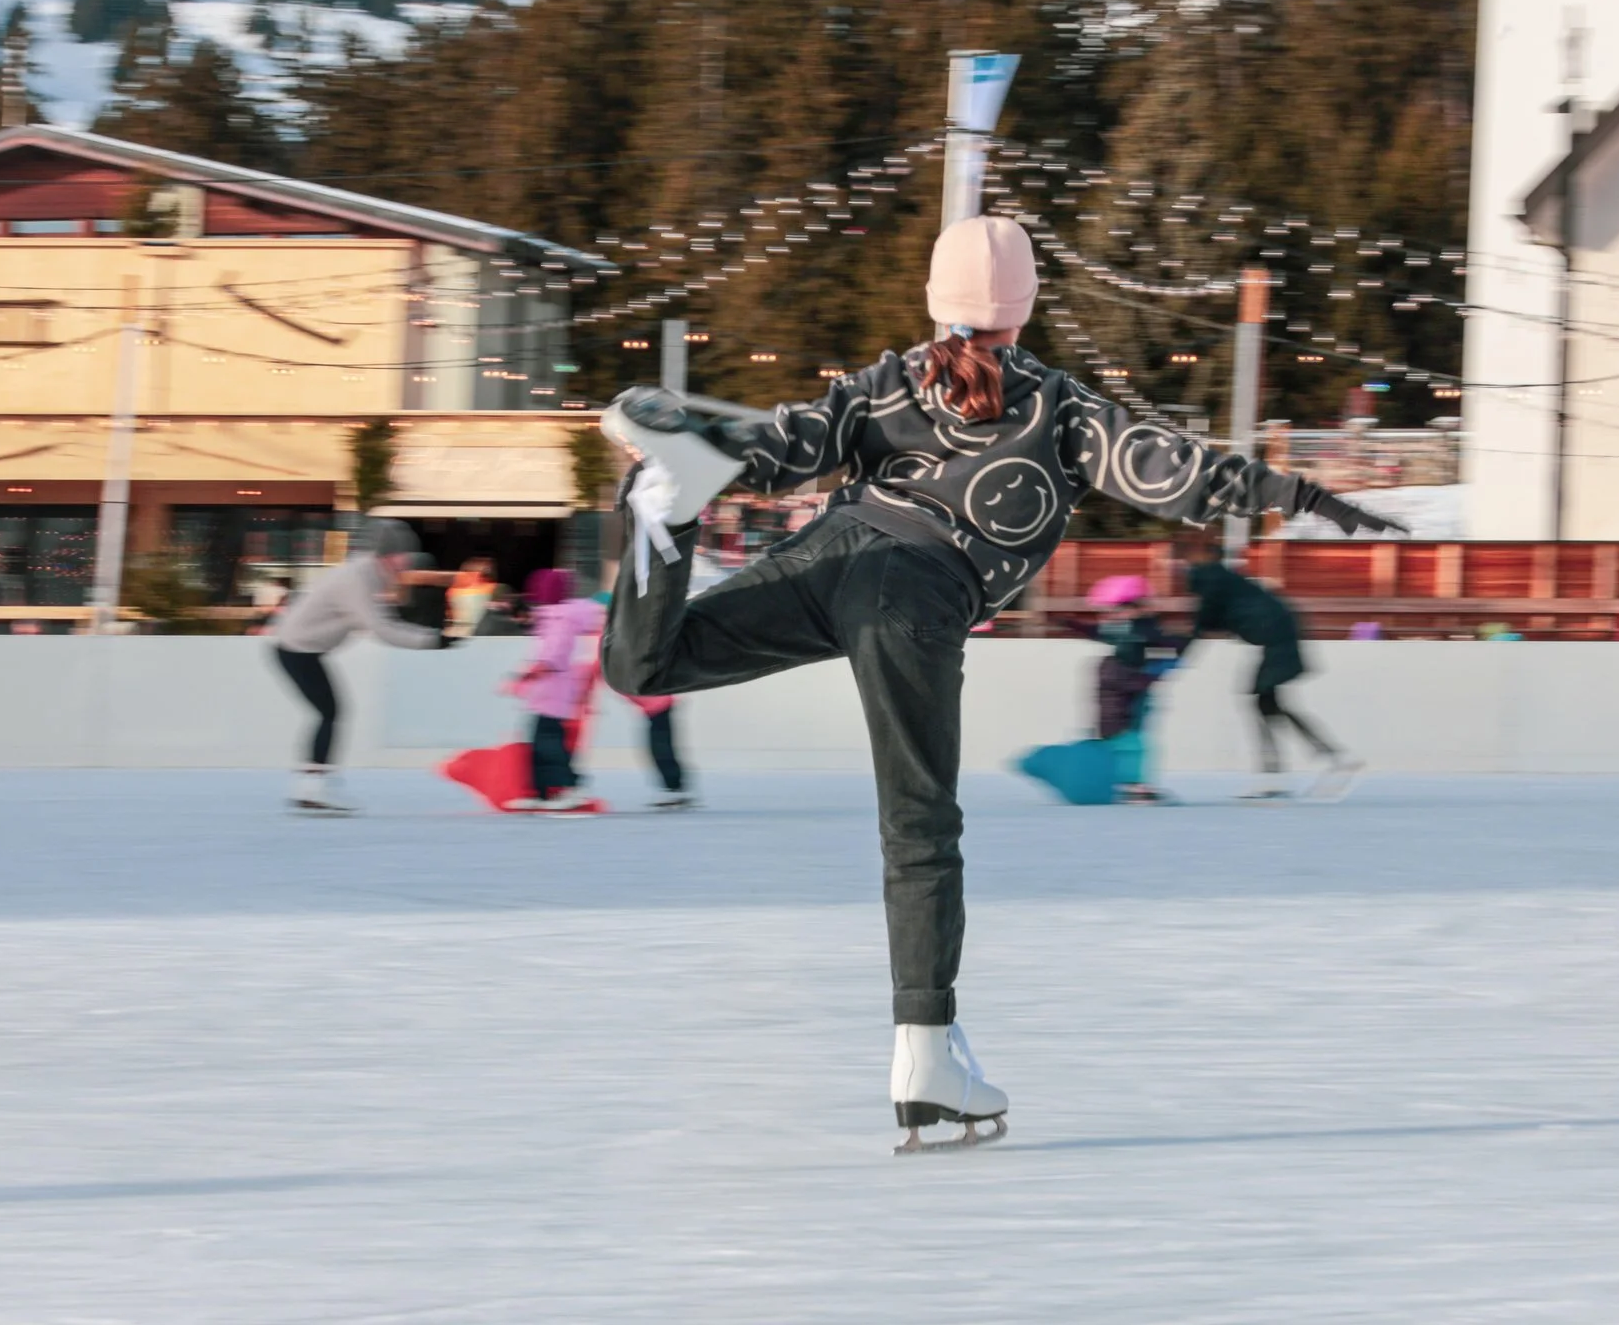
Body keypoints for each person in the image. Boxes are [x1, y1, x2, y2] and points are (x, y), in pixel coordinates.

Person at [598, 213, 1401, 1151]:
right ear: (1025, 309)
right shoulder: (1058, 405)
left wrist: (703, 452)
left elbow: (784, 451)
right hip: (917, 596)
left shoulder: (886, 380)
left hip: (830, 559)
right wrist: (1305, 497)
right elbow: (1169, 470)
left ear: (936, 300)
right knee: (920, 827)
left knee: (645, 661)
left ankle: (666, 508)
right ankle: (927, 1057)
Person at [268, 520, 445, 814]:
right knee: (330, 711)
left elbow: (379, 618)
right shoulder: (357, 579)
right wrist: (434, 640)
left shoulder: (369, 574)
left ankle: (312, 783)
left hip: (302, 648)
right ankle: (312, 785)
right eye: (405, 554)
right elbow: (382, 628)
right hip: (297, 649)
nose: (408, 561)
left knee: (329, 711)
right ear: (389, 554)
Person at [1180, 537, 1357, 800]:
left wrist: (1177, 658)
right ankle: (1324, 759)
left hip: (1278, 642)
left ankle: (1292, 770)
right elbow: (1214, 619)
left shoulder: (1211, 579)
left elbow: (1203, 622)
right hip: (1280, 638)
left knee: (1262, 702)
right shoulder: (1223, 578)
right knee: (1268, 705)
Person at [505, 568, 606, 811]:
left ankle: (568, 788)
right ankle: (540, 792)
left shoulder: (558, 618)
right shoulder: (551, 617)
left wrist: (529, 673)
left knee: (548, 745)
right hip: (548, 692)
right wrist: (527, 678)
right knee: (540, 744)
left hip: (554, 692)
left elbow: (554, 654)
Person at [1089, 574, 1182, 804]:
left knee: (1135, 740)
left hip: (1136, 692)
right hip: (1125, 698)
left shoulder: (1144, 628)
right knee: (1131, 743)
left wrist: (1159, 669)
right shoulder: (1122, 635)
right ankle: (1129, 783)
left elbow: (1166, 649)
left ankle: (1127, 782)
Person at [446, 557, 498, 639]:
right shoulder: (494, 589)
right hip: (485, 634)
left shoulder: (452, 591)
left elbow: (449, 614)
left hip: (458, 634)